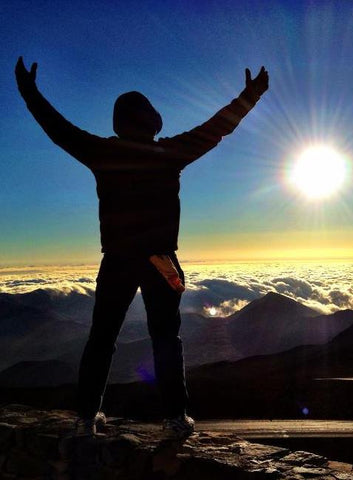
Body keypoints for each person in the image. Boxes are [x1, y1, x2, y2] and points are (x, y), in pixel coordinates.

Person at [15, 57, 269, 437]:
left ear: (119, 122)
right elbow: (218, 129)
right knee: (166, 338)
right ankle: (175, 419)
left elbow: (58, 129)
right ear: (151, 121)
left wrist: (29, 91)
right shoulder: (168, 153)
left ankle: (86, 418)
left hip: (116, 261)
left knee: (102, 338)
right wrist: (251, 95)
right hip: (161, 261)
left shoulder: (102, 152)